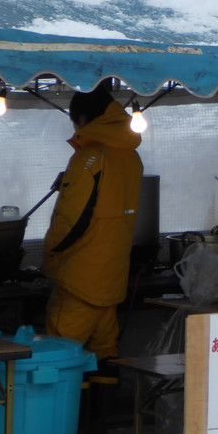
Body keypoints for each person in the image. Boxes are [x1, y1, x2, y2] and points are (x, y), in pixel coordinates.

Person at [43, 82, 144, 362]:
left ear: (83, 119)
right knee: (105, 353)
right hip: (112, 277)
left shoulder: (88, 156)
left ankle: (67, 408)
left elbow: (72, 218)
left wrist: (50, 253)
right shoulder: (131, 156)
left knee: (59, 356)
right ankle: (101, 407)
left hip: (79, 278)